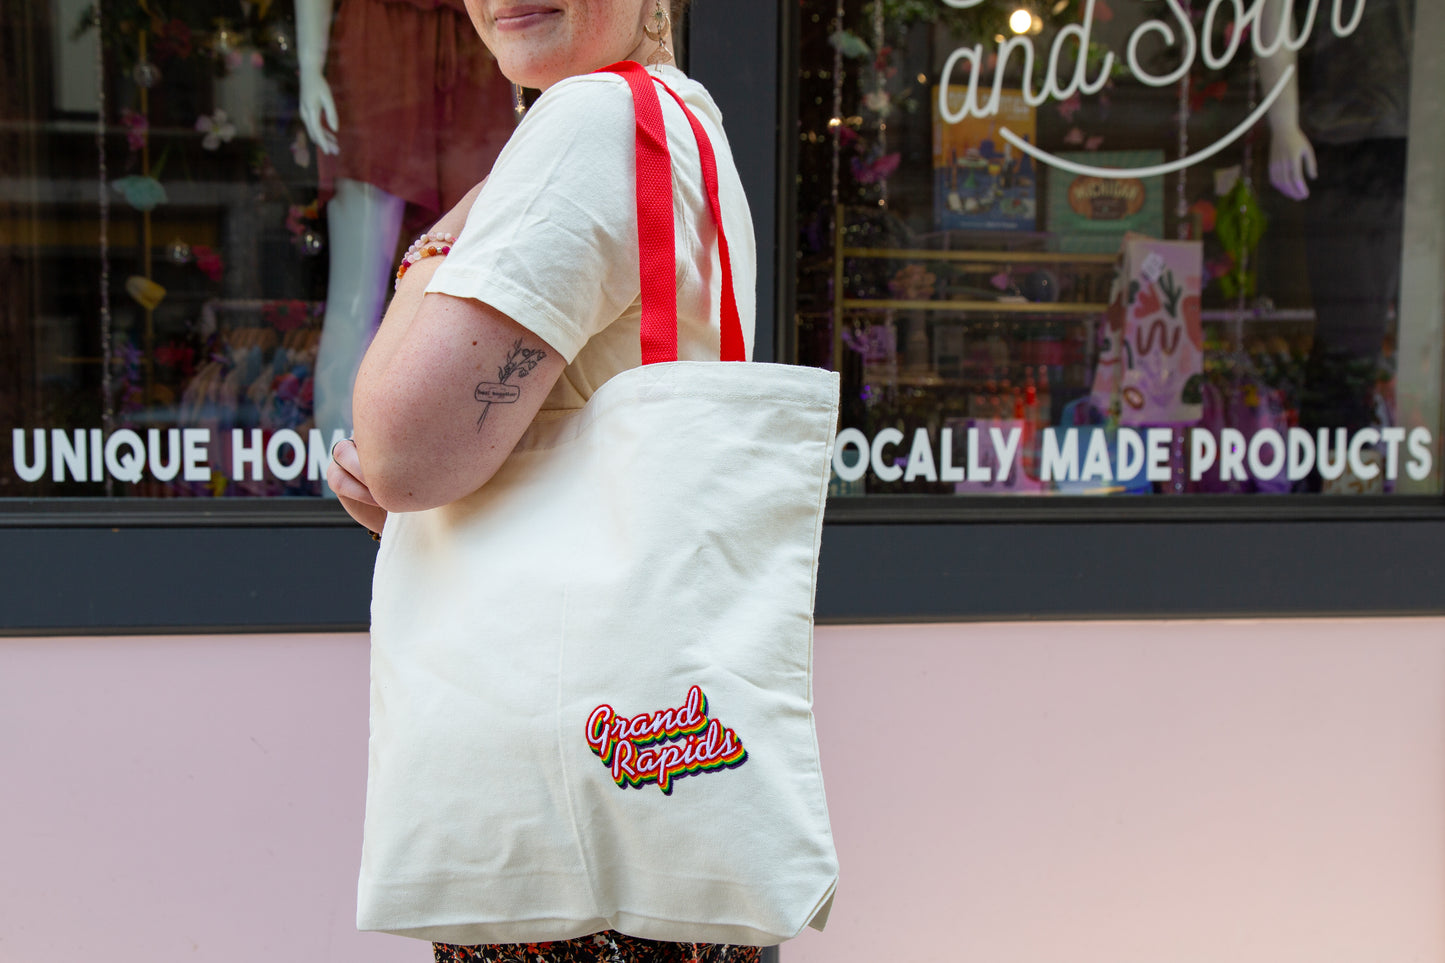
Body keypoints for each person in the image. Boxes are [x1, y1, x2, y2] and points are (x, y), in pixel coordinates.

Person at [326, 1, 763, 959]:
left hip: (564, 838)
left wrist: (433, 246)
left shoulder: (589, 121)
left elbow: (397, 453)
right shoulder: (686, 119)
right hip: (652, 789)